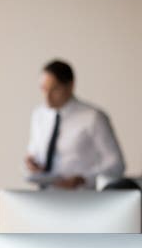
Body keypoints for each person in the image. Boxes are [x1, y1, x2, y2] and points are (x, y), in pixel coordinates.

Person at [26, 59, 125, 189]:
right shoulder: (38, 115)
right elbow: (34, 152)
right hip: (45, 196)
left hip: (81, 197)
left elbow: (117, 165)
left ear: (70, 86)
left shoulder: (94, 117)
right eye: (44, 89)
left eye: (54, 89)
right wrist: (32, 164)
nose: (47, 97)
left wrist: (84, 179)